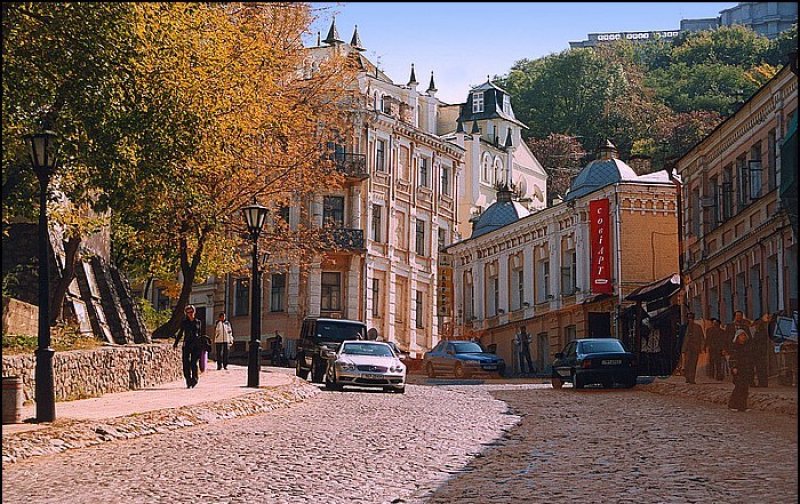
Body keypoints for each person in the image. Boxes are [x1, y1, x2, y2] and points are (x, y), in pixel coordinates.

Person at [174, 304, 203, 388]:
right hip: (187, 344)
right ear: (186, 313)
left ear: (194, 312)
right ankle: (188, 380)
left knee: (194, 363)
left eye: (191, 311)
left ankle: (194, 379)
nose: (190, 313)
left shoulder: (198, 322)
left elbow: (200, 334)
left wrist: (201, 344)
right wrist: (176, 343)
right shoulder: (184, 322)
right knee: (186, 363)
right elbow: (180, 333)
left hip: (196, 344)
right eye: (188, 312)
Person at [728, 328, 754, 412]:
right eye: (741, 335)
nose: (743, 337)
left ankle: (743, 406)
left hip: (746, 369)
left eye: (744, 335)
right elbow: (732, 358)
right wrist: (734, 367)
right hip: (738, 369)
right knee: (738, 387)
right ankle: (733, 404)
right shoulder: (735, 347)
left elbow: (749, 358)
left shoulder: (747, 346)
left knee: (745, 388)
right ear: (737, 337)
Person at [680, 312, 704, 384]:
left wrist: (702, 347)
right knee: (687, 363)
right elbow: (681, 339)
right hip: (686, 348)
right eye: (689, 318)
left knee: (693, 364)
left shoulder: (698, 327)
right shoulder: (684, 327)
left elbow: (702, 338)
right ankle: (687, 377)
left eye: (691, 318)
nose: (690, 320)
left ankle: (692, 378)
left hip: (695, 348)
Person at [749, 313, 773, 387]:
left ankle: (762, 383)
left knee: (761, 368)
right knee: (760, 368)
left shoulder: (761, 333)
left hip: (759, 353)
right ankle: (762, 383)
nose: (756, 326)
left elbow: (759, 343)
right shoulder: (759, 332)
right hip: (758, 353)